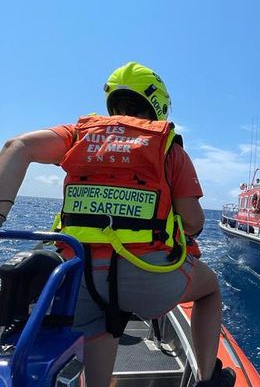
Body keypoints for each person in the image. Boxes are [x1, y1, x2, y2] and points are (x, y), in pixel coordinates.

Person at [0, 62, 235, 387]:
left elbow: (16, 147)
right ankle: (208, 380)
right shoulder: (168, 146)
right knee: (209, 290)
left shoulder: (78, 135)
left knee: (99, 326)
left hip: (80, 278)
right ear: (158, 104)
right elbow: (194, 221)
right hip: (149, 277)